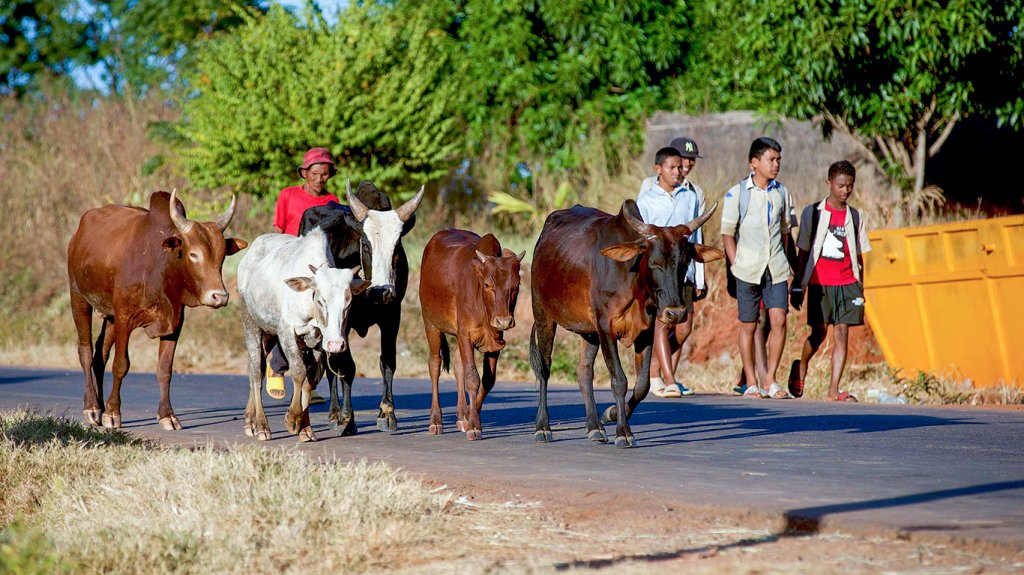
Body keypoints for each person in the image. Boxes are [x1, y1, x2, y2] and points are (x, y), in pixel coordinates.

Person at [788, 160, 871, 401]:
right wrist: (797, 285)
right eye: (841, 185)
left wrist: (861, 287)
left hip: (847, 283)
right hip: (819, 283)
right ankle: (802, 363)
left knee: (842, 332)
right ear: (829, 184)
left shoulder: (855, 217)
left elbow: (858, 254)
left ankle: (833, 389)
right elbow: (803, 250)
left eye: (850, 186)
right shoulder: (812, 213)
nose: (845, 191)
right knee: (819, 333)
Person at [721, 137, 796, 399]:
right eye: (770, 160)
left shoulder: (782, 193)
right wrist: (735, 263)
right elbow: (727, 234)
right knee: (749, 325)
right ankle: (751, 381)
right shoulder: (737, 193)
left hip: (775, 267)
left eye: (778, 160)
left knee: (779, 320)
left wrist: (789, 262)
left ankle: (771, 379)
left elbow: (786, 232)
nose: (776, 165)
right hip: (747, 269)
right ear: (754, 163)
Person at [266, 147, 341, 401]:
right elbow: (277, 229)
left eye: (325, 174)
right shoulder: (287, 195)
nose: (320, 179)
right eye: (316, 173)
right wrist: (275, 262)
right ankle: (275, 366)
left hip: (318, 270)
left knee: (316, 323)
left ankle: (310, 380)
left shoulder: (333, 202)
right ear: (304, 174)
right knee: (287, 320)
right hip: (288, 262)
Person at [637, 138, 707, 397]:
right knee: (662, 323)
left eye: (681, 167)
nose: (679, 171)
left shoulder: (691, 196)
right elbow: (641, 242)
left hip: (684, 270)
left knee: (684, 326)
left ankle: (654, 368)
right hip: (659, 274)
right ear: (659, 169)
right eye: (673, 167)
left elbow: (696, 239)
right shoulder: (645, 201)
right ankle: (668, 378)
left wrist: (700, 275)